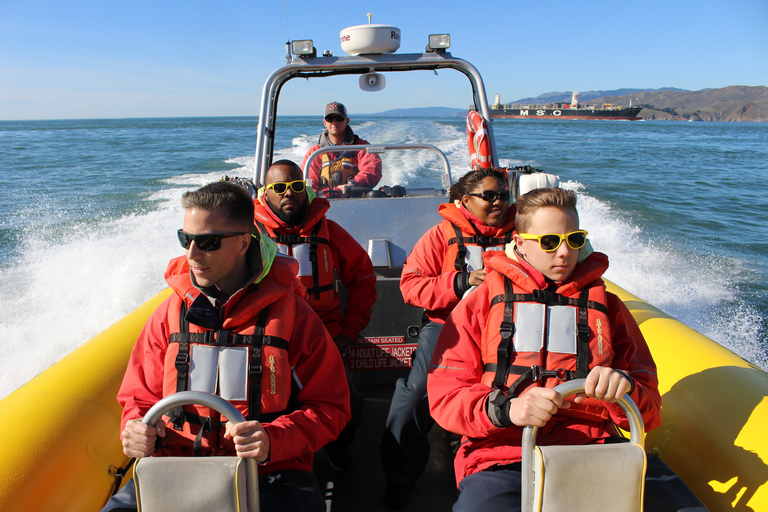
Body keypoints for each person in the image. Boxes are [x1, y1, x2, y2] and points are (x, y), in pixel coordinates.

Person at [427, 187, 707, 511]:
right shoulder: (479, 304)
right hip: (503, 456)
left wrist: (622, 389)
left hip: (599, 447)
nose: (564, 252)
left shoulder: (610, 308)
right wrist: (508, 409)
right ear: (520, 243)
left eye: (573, 240)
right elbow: (447, 395)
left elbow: (649, 407)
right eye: (549, 242)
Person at [101, 181, 351, 512]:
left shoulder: (294, 316)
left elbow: (331, 407)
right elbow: (138, 397)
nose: (191, 254)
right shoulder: (168, 315)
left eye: (207, 242)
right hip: (174, 467)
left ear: (244, 242)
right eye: (186, 239)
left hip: (267, 472)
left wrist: (272, 440)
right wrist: (135, 426)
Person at [380, 168, 516, 509]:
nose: (498, 201)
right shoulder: (441, 235)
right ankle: (400, 478)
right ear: (465, 201)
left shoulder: (524, 232)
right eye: (489, 196)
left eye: (503, 195)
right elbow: (410, 286)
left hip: (509, 329)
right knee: (413, 398)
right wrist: (463, 281)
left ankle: (495, 473)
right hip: (449, 327)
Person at [253, 159, 377, 470]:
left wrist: (349, 330)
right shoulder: (249, 238)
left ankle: (338, 451)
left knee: (351, 404)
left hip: (325, 336)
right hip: (266, 338)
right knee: (270, 405)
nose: (289, 194)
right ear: (264, 194)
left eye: (296, 187)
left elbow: (362, 277)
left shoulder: (330, 232)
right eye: (279, 188)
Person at [301, 101, 382, 195]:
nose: (334, 122)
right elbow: (309, 182)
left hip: (356, 202)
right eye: (330, 118)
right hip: (324, 203)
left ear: (346, 121)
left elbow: (372, 170)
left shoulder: (361, 147)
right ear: (324, 122)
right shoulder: (315, 152)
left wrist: (353, 184)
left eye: (339, 118)